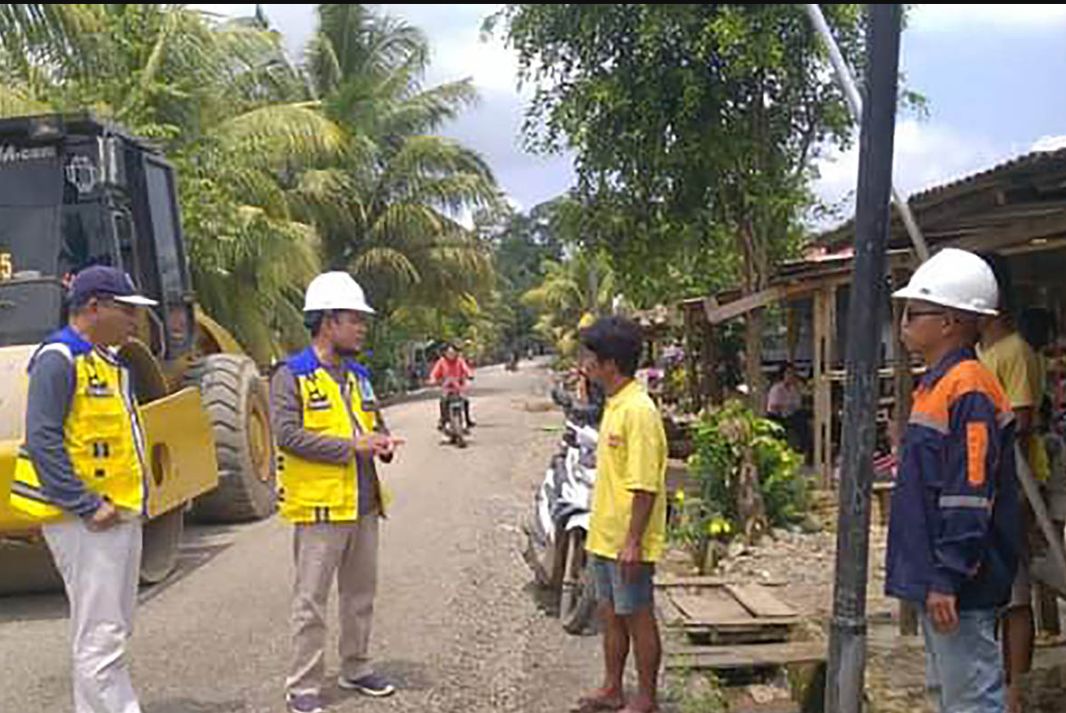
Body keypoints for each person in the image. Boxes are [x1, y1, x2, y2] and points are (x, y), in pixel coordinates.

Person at [7, 266, 159, 713]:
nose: (135, 321)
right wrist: (86, 504)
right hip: (86, 520)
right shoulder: (59, 358)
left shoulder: (106, 362)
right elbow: (42, 439)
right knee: (101, 634)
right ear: (94, 306)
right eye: (128, 310)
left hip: (118, 512)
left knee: (111, 628)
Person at [887, 248, 1020, 713]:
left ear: (947, 322)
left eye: (912, 313)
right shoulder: (938, 385)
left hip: (960, 582)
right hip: (939, 575)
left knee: (971, 698)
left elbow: (969, 491)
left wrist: (948, 574)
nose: (903, 323)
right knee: (950, 693)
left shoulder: (969, 387)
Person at [271, 272, 404, 713]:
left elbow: (374, 423)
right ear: (328, 322)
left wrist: (381, 443)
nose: (362, 328)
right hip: (320, 508)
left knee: (360, 594)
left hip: (364, 505)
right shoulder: (292, 375)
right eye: (355, 319)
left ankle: (356, 667)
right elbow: (287, 435)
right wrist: (352, 446)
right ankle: (303, 687)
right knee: (311, 602)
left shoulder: (359, 376)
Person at [573, 316, 667, 713]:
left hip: (630, 539)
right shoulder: (614, 403)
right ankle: (612, 688)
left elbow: (644, 484)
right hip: (605, 534)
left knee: (638, 616)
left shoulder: (639, 411)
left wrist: (633, 541)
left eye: (590, 356)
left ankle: (645, 698)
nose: (584, 362)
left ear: (610, 363)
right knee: (611, 614)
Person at [975, 255, 1051, 713]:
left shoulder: (1015, 352)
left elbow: (1021, 419)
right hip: (986, 480)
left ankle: (1015, 686)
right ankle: (997, 677)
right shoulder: (983, 354)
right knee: (995, 584)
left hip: (1017, 481)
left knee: (1017, 588)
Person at [427, 343, 475, 430]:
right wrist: (433, 379)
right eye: (449, 353)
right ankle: (443, 420)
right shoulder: (441, 362)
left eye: (453, 353)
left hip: (458, 388)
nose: (451, 355)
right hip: (447, 389)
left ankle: (467, 420)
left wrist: (470, 374)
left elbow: (466, 369)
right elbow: (434, 373)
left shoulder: (460, 361)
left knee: (465, 401)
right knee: (443, 401)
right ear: (445, 353)